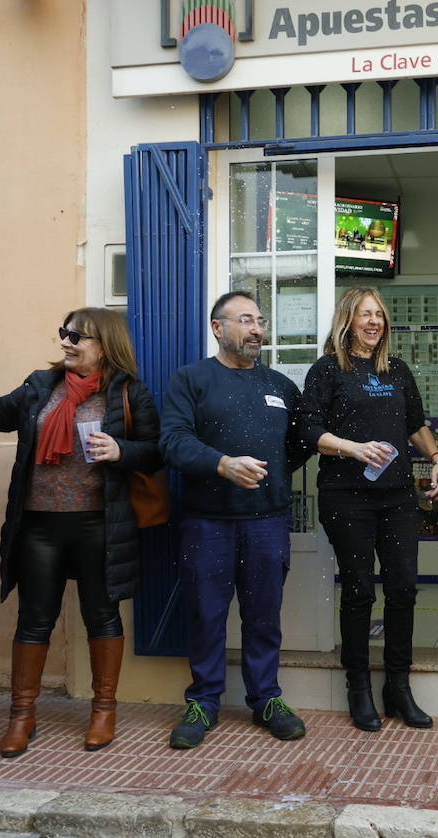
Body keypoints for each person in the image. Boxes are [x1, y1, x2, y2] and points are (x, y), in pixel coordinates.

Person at [0, 308, 163, 757]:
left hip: (99, 523)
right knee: (34, 619)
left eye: (77, 337)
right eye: (64, 334)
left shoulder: (128, 391)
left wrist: (121, 449)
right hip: (39, 523)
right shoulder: (39, 386)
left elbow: (154, 453)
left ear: (104, 344)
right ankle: (21, 717)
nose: (66, 342)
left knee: (101, 616)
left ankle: (104, 712)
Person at [159, 291, 311, 748]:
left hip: (267, 520)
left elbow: (301, 442)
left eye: (260, 320)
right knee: (206, 614)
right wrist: (222, 463)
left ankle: (265, 698)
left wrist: (275, 477)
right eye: (245, 320)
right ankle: (203, 702)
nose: (257, 329)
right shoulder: (191, 379)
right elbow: (172, 441)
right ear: (217, 327)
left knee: (263, 616)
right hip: (207, 521)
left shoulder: (282, 386)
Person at [301, 286, 438, 732]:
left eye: (380, 315)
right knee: (360, 590)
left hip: (397, 495)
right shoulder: (328, 370)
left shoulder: (397, 371)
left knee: (403, 587)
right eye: (366, 314)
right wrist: (351, 448)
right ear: (348, 319)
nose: (374, 322)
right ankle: (358, 687)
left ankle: (398, 687)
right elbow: (308, 429)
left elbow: (415, 426)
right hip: (346, 496)